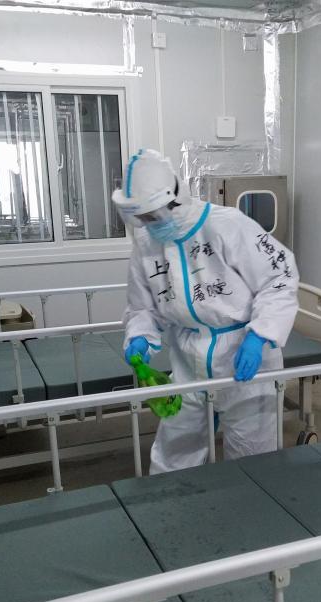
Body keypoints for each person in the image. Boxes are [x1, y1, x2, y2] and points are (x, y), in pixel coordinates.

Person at [112, 149, 299, 474]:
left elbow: (279, 278)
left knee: (253, 454)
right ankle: (172, 503)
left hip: (241, 354)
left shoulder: (227, 225)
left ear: (174, 200)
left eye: (152, 216)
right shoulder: (145, 244)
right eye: (141, 219)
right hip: (187, 359)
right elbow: (142, 306)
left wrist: (259, 335)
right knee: (175, 450)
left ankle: (255, 502)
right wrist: (139, 335)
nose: (146, 225)